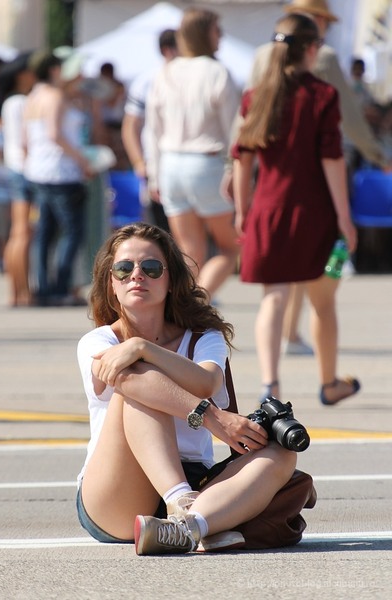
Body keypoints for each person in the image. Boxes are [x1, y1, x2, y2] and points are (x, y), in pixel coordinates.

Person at [76, 222, 296, 554]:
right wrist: (214, 419)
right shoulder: (98, 341)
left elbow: (205, 382)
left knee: (282, 453)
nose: (137, 275)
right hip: (117, 487)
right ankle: (182, 505)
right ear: (111, 283)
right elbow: (128, 378)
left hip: (197, 480)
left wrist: (142, 347)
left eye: (151, 268)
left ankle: (190, 527)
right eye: (124, 269)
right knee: (135, 390)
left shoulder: (204, 337)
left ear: (171, 280)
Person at [243, 0, 392, 353]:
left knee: (282, 268)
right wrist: (377, 155)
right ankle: (295, 336)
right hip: (316, 175)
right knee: (313, 263)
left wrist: (233, 164)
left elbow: (246, 119)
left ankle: (289, 335)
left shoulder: (264, 53)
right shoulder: (322, 57)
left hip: (269, 170)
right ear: (319, 23)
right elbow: (349, 116)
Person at [232, 13, 360, 406]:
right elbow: (331, 158)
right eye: (318, 44)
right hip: (314, 213)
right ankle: (329, 383)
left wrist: (242, 209)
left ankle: (270, 386)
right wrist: (344, 217)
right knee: (323, 302)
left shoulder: (257, 95)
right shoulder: (322, 95)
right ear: (308, 48)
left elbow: (242, 157)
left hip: (268, 210)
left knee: (273, 298)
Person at [146, 8, 240, 300]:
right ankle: (196, 302)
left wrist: (153, 174)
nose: (221, 37)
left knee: (189, 250)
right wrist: (235, 170)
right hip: (207, 163)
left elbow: (152, 130)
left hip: (170, 164)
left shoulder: (165, 72)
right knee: (230, 247)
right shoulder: (217, 72)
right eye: (216, 31)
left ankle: (184, 303)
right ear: (204, 33)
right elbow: (234, 130)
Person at [23, 50, 94, 306]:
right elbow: (55, 134)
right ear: (54, 70)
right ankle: (60, 287)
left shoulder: (33, 96)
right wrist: (82, 160)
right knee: (72, 231)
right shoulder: (54, 96)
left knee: (45, 233)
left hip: (38, 171)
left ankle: (43, 288)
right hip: (61, 172)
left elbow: (26, 139)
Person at [121, 29, 178, 231]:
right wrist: (139, 162)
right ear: (167, 50)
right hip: (156, 165)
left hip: (181, 164)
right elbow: (130, 126)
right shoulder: (147, 81)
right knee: (162, 229)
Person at [0, 52, 36, 306]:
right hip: (25, 170)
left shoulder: (10, 101)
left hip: (14, 169)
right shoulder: (21, 101)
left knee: (17, 233)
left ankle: (17, 292)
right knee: (23, 233)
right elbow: (27, 140)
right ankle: (23, 292)